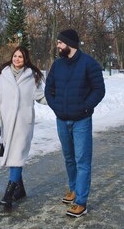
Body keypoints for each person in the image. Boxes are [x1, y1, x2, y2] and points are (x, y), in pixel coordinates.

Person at [45, 29, 105, 218]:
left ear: (69, 43)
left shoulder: (89, 63)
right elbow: (49, 89)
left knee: (82, 161)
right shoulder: (57, 65)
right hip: (61, 120)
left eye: (60, 43)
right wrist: (56, 107)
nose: (58, 45)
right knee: (69, 158)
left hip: (81, 121)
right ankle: (73, 189)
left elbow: (99, 90)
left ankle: (81, 202)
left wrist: (85, 108)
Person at [0, 45, 46, 209]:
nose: (17, 59)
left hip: (23, 124)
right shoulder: (2, 78)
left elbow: (40, 97)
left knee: (17, 157)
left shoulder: (32, 77)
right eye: (15, 56)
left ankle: (8, 195)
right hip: (7, 124)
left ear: (25, 59)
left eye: (20, 57)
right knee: (15, 156)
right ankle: (20, 191)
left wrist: (57, 99)